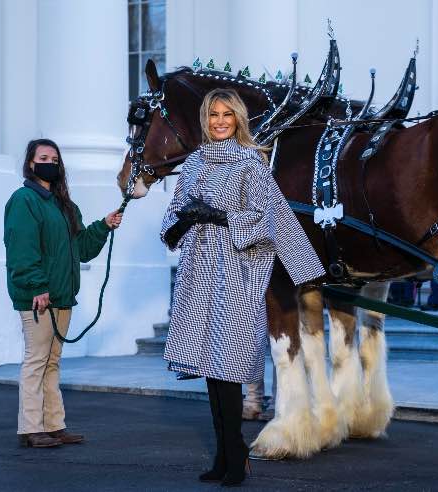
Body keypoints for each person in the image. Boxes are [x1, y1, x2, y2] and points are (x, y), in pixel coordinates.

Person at [160, 88, 325, 486]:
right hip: (197, 274)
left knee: (229, 367)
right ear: (205, 118)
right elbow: (172, 218)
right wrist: (182, 222)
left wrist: (218, 215)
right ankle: (222, 455)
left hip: (236, 273)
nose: (219, 121)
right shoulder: (195, 162)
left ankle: (236, 456)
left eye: (227, 115)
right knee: (210, 370)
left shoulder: (251, 162)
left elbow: (268, 217)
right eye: (213, 114)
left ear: (238, 120)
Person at [4, 139, 123, 448]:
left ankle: (54, 425)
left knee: (52, 362)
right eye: (44, 158)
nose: (50, 163)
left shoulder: (65, 205)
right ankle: (31, 428)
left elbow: (80, 249)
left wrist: (104, 226)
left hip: (62, 296)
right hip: (38, 297)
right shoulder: (24, 200)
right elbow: (22, 249)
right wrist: (37, 287)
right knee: (36, 360)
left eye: (55, 159)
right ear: (31, 164)